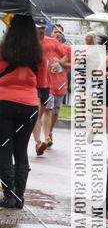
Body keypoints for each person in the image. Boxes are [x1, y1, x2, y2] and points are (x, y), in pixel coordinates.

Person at [0, 13, 45, 208]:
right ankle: (19, 196)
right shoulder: (39, 55)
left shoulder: (2, 50)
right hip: (29, 106)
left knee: (4, 148)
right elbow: (43, 86)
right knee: (21, 150)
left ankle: (9, 195)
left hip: (4, 104)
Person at [32, 19, 68, 156]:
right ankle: (38, 142)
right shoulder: (29, 43)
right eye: (38, 28)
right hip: (32, 83)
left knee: (47, 110)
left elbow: (64, 56)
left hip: (46, 84)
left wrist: (59, 63)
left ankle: (46, 138)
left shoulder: (51, 42)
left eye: (42, 27)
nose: (41, 30)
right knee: (36, 111)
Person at [46, 22, 71, 149]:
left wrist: (61, 64)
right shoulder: (47, 46)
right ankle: (46, 136)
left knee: (56, 111)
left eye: (60, 32)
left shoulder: (66, 49)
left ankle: (50, 131)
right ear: (51, 33)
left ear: (62, 35)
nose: (57, 34)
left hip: (61, 85)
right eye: (55, 32)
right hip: (48, 84)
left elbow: (73, 65)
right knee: (48, 109)